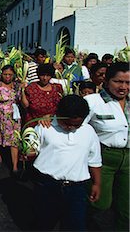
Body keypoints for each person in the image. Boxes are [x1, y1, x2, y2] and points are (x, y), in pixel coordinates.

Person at [31, 95, 102, 231]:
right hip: (46, 185)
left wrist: (97, 183)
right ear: (58, 115)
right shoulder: (45, 127)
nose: (70, 127)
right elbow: (32, 150)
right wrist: (27, 153)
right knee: (43, 222)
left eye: (76, 125)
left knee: (75, 225)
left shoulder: (88, 132)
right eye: (67, 123)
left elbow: (94, 161)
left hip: (77, 189)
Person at [83, 62, 129, 231]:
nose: (123, 87)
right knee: (100, 203)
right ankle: (79, 219)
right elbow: (73, 125)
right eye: (118, 81)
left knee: (127, 209)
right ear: (106, 81)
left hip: (129, 161)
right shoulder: (93, 101)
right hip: (103, 159)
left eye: (128, 82)